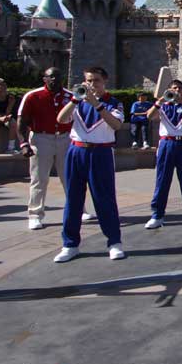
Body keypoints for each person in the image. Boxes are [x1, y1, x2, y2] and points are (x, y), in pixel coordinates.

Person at [52, 66, 127, 262]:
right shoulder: (77, 101)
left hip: (100, 152)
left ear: (105, 82)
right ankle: (70, 244)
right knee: (73, 199)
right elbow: (61, 119)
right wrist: (76, 99)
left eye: (96, 81)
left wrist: (97, 105)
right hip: (77, 151)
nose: (92, 85)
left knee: (104, 199)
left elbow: (116, 125)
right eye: (89, 81)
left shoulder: (113, 103)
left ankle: (114, 242)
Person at [18, 67, 86, 230]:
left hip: (65, 138)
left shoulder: (71, 96)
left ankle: (79, 210)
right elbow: (22, 120)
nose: (54, 80)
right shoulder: (33, 96)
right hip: (41, 138)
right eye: (51, 77)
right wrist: (23, 144)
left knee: (70, 177)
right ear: (44, 79)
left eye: (58, 76)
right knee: (39, 178)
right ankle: (35, 214)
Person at [144, 80, 182, 229]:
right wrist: (160, 101)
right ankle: (157, 215)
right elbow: (150, 116)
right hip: (167, 143)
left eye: (180, 88)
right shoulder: (163, 105)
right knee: (162, 180)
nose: (177, 91)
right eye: (174, 88)